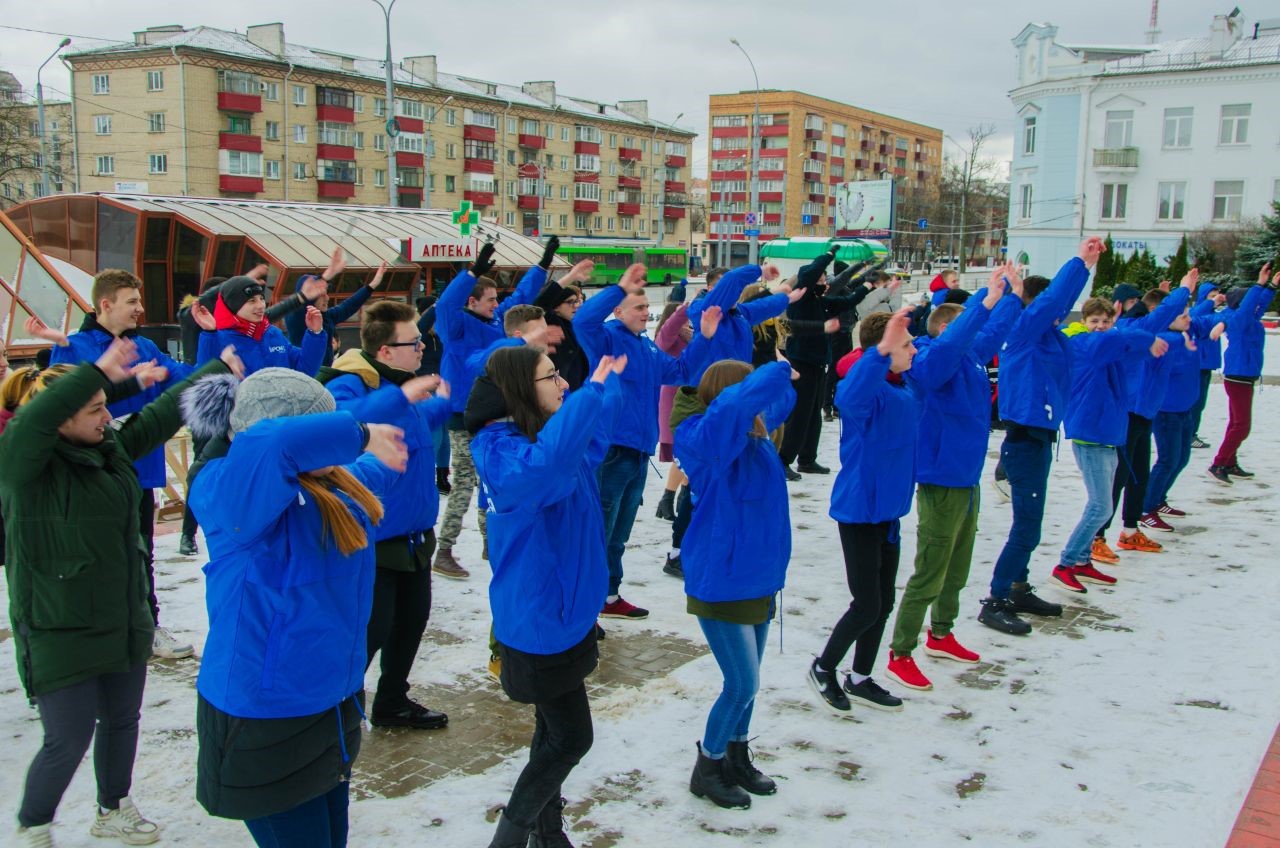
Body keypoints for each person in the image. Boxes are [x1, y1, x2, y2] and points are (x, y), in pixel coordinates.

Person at [2, 338, 236, 848]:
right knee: (67, 738)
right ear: (61, 418)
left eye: (106, 406)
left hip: (122, 614)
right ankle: (34, 826)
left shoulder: (110, 452)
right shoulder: (25, 467)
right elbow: (33, 424)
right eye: (94, 408)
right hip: (58, 625)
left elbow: (155, 417)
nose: (107, 416)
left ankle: (113, 808)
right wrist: (100, 373)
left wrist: (217, 368)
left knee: (122, 720)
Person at [184, 367, 408, 848]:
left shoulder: (336, 490)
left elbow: (360, 460)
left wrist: (409, 403)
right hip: (264, 719)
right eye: (321, 432)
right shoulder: (231, 496)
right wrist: (361, 431)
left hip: (333, 705)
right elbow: (273, 444)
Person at [466, 346, 627, 848]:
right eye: (551, 377)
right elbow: (547, 466)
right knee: (571, 738)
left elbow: (591, 443)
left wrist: (604, 391)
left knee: (550, 733)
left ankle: (548, 832)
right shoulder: (503, 451)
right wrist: (592, 391)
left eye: (562, 376)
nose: (563, 385)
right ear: (518, 391)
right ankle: (510, 838)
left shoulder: (541, 436)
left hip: (568, 613)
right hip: (540, 619)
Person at [43, 270, 200, 660]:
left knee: (140, 550)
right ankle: (93, 630)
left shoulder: (145, 344)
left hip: (137, 471)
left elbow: (184, 376)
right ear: (106, 304)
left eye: (139, 300)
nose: (140, 308)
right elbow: (60, 399)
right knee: (93, 552)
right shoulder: (75, 347)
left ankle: (146, 626)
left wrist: (215, 353)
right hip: (90, 473)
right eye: (132, 301)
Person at [884, 266, 1023, 693]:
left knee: (958, 568)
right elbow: (957, 344)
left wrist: (1011, 298)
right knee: (931, 568)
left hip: (967, 477)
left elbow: (992, 333)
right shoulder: (929, 360)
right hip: (942, 479)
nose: (973, 332)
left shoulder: (969, 356)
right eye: (964, 324)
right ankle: (900, 651)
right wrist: (983, 303)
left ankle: (941, 634)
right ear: (949, 328)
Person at [319, 300, 454, 731]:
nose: (421, 346)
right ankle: (332, 708)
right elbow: (342, 425)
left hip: (415, 535)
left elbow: (412, 424)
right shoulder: (350, 385)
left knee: (412, 623)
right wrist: (400, 397)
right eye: (412, 341)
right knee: (371, 631)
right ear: (384, 350)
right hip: (374, 539)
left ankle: (392, 702)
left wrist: (440, 404)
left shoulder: (400, 384)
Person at [674, 357, 796, 809]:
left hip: (759, 576)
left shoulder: (756, 435)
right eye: (751, 394)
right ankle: (707, 767)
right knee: (741, 684)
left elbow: (782, 401)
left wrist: (785, 374)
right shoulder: (704, 438)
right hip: (721, 580)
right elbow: (734, 407)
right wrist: (774, 373)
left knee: (752, 680)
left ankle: (736, 755)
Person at [573, 263, 723, 620]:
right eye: (638, 308)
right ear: (619, 310)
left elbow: (682, 371)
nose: (645, 313)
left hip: (639, 453)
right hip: (611, 450)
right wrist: (618, 286)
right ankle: (584, 606)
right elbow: (581, 322)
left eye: (645, 307)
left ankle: (608, 597)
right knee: (598, 532)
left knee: (618, 534)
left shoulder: (645, 347)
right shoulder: (607, 337)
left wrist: (703, 336)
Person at [977, 238, 1103, 636]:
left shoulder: (1054, 338)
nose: (1061, 313)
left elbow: (1078, 331)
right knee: (1027, 527)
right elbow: (1053, 302)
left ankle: (1017, 587)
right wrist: (1081, 264)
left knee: (1031, 523)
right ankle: (996, 599)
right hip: (1025, 440)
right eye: (1053, 307)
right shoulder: (1025, 332)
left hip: (1041, 438)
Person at [809, 309, 918, 714]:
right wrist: (883, 349)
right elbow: (850, 394)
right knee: (867, 603)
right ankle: (824, 667)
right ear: (884, 351)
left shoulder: (905, 386)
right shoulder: (867, 394)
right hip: (859, 511)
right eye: (906, 345)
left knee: (884, 601)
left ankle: (860, 677)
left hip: (888, 512)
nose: (914, 350)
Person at [433, 240, 556, 580]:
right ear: (471, 301)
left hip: (494, 412)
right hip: (463, 416)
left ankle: (491, 542)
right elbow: (445, 305)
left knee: (491, 479)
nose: (496, 304)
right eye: (490, 299)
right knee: (465, 483)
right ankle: (443, 550)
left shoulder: (491, 324)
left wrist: (542, 265)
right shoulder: (455, 325)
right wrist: (470, 272)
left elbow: (519, 300)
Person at [1053, 297, 1165, 588]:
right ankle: (1065, 564)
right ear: (1085, 322)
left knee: (1104, 504)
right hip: (1090, 435)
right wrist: (1146, 338)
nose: (1100, 327)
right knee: (1100, 506)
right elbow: (1130, 335)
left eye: (1105, 322)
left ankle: (1081, 559)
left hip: (1110, 436)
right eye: (1094, 322)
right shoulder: (1083, 345)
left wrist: (1152, 336)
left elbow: (1139, 333)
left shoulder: (1109, 348)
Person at [1092, 277, 1195, 557]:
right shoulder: (1130, 330)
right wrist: (1183, 291)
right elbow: (1155, 322)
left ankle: (1130, 530)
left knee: (1138, 474)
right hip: (1129, 411)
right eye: (1181, 315)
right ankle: (1097, 536)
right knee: (1120, 476)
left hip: (1144, 412)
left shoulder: (1151, 334)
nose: (1186, 319)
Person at [779, 248, 881, 480]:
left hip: (817, 363)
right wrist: (829, 253)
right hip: (801, 362)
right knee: (800, 413)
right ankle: (783, 459)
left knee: (813, 412)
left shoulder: (820, 300)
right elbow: (810, 273)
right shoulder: (802, 296)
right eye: (822, 279)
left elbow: (848, 301)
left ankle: (807, 458)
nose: (825, 282)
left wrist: (868, 286)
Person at [1209, 264, 1278, 484]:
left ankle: (1229, 462)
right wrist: (1259, 283)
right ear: (1242, 303)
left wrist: (1272, 285)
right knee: (1242, 425)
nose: (1256, 305)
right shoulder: (1239, 319)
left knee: (1235, 423)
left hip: (1243, 375)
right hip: (1238, 376)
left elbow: (1258, 306)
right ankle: (1219, 463)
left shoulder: (1248, 318)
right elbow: (1251, 306)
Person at [195, 275, 328, 377]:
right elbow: (205, 382)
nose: (260, 306)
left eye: (262, 298)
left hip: (286, 410)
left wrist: (315, 334)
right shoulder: (217, 339)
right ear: (233, 306)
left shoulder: (273, 334)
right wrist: (209, 334)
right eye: (252, 301)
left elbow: (305, 371)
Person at [285, 250, 386, 367]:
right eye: (321, 294)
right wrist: (324, 277)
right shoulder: (296, 318)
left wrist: (372, 285)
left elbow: (348, 306)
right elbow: (299, 304)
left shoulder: (327, 316)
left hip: (324, 374)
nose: (327, 298)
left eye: (327, 293)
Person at [653, 301, 692, 526]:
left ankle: (676, 499)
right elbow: (665, 340)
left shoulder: (689, 335)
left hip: (690, 397)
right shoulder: (667, 336)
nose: (688, 322)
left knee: (686, 451)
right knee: (683, 451)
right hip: (675, 398)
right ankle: (672, 498)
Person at [534, 260, 595, 392]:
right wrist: (571, 277)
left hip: (578, 389)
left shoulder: (575, 326)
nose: (577, 306)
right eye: (570, 302)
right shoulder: (552, 321)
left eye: (577, 301)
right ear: (556, 307)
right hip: (560, 390)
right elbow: (542, 302)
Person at [1188, 282, 1228, 450]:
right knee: (1194, 402)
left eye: (1216, 296)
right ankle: (1189, 434)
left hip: (1207, 365)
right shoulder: (1196, 313)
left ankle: (1192, 432)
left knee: (1200, 403)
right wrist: (1211, 302)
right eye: (1211, 296)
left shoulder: (1215, 315)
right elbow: (1195, 314)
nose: (1215, 299)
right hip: (1197, 364)